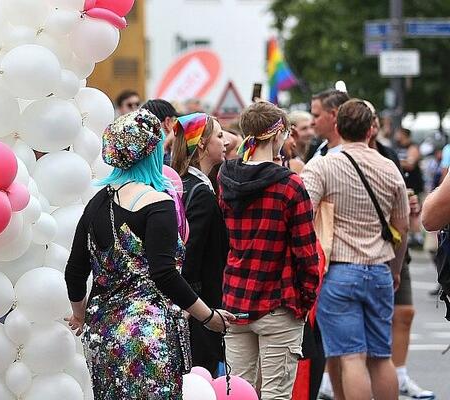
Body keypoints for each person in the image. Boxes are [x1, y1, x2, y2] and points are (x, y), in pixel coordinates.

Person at [65, 109, 235, 399]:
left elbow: (75, 270)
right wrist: (209, 316)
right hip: (149, 334)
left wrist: (79, 315)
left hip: (103, 332)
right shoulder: (158, 202)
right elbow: (164, 274)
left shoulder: (96, 203)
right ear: (151, 152)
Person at [301, 99, 409, 400]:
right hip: (379, 269)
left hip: (339, 270)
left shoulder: (322, 166)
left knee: (350, 357)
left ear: (337, 126)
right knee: (380, 356)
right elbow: (402, 226)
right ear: (370, 128)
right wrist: (395, 268)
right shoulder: (388, 167)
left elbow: (303, 213)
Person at [218, 101, 321, 399]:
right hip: (279, 300)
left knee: (237, 393)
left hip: (236, 297)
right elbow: (306, 252)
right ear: (278, 135)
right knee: (276, 395)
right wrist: (304, 301)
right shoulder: (290, 185)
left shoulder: (226, 179)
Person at [365, 108, 434, 400]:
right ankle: (339, 379)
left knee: (404, 313)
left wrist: (410, 204)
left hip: (394, 244)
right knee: (363, 331)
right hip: (362, 251)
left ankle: (401, 375)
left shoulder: (388, 153)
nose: (375, 126)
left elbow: (403, 196)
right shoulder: (333, 155)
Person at [168, 112, 230, 376]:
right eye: (219, 135)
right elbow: (190, 255)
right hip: (198, 305)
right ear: (202, 144)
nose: (225, 141)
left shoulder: (180, 183)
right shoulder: (200, 192)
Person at [306, 90, 350, 161]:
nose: (312, 122)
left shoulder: (348, 155)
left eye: (316, 116)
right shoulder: (322, 149)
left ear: (333, 115)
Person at [141, 99, 180, 163]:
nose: (178, 125)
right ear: (167, 122)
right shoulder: (168, 160)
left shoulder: (140, 154)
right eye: (175, 120)